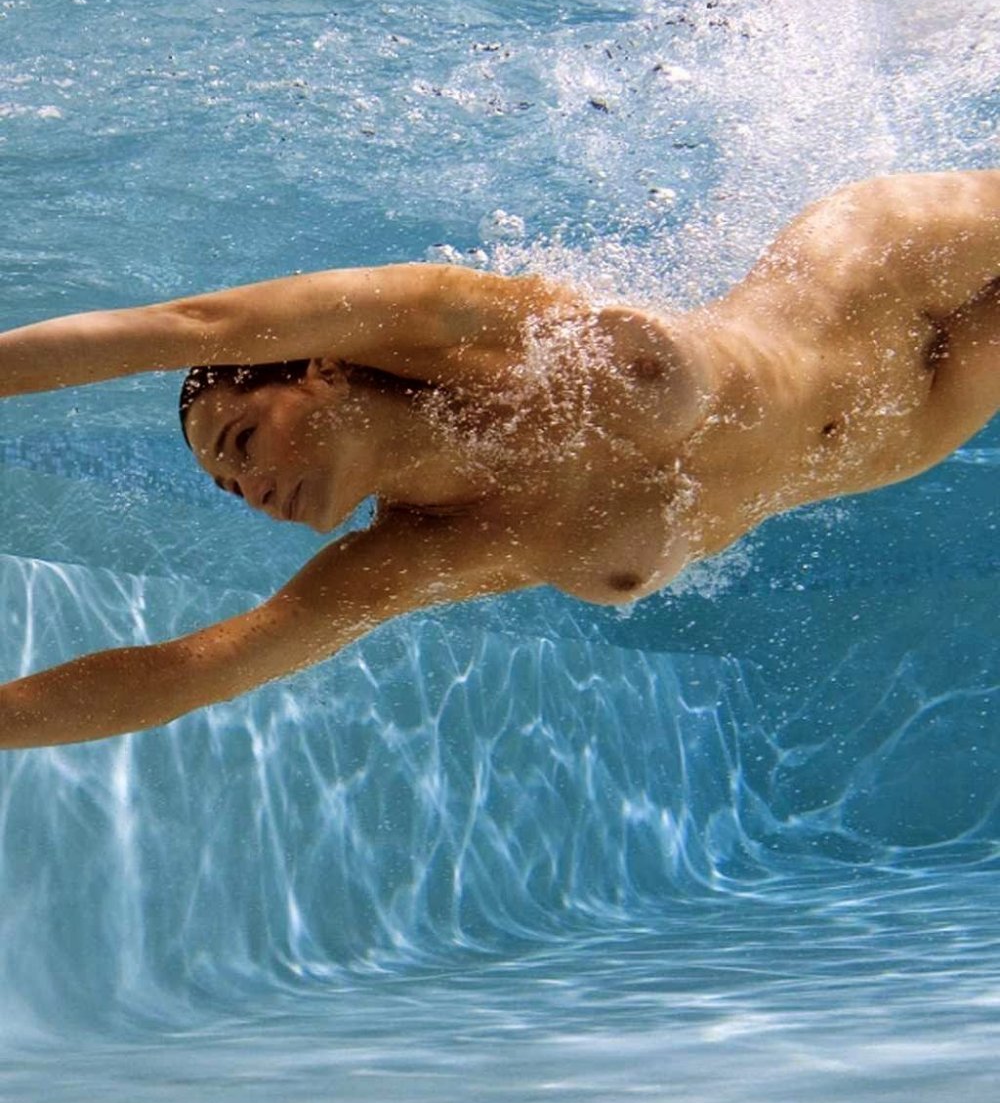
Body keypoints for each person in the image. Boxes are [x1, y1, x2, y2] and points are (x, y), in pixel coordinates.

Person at [0, 169, 996, 749]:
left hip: (878, 267)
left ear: (319, 370)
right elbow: (190, 672)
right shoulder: (414, 555)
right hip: (916, 427)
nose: (251, 488)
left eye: (244, 442)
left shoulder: (461, 332)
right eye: (230, 487)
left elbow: (185, 326)